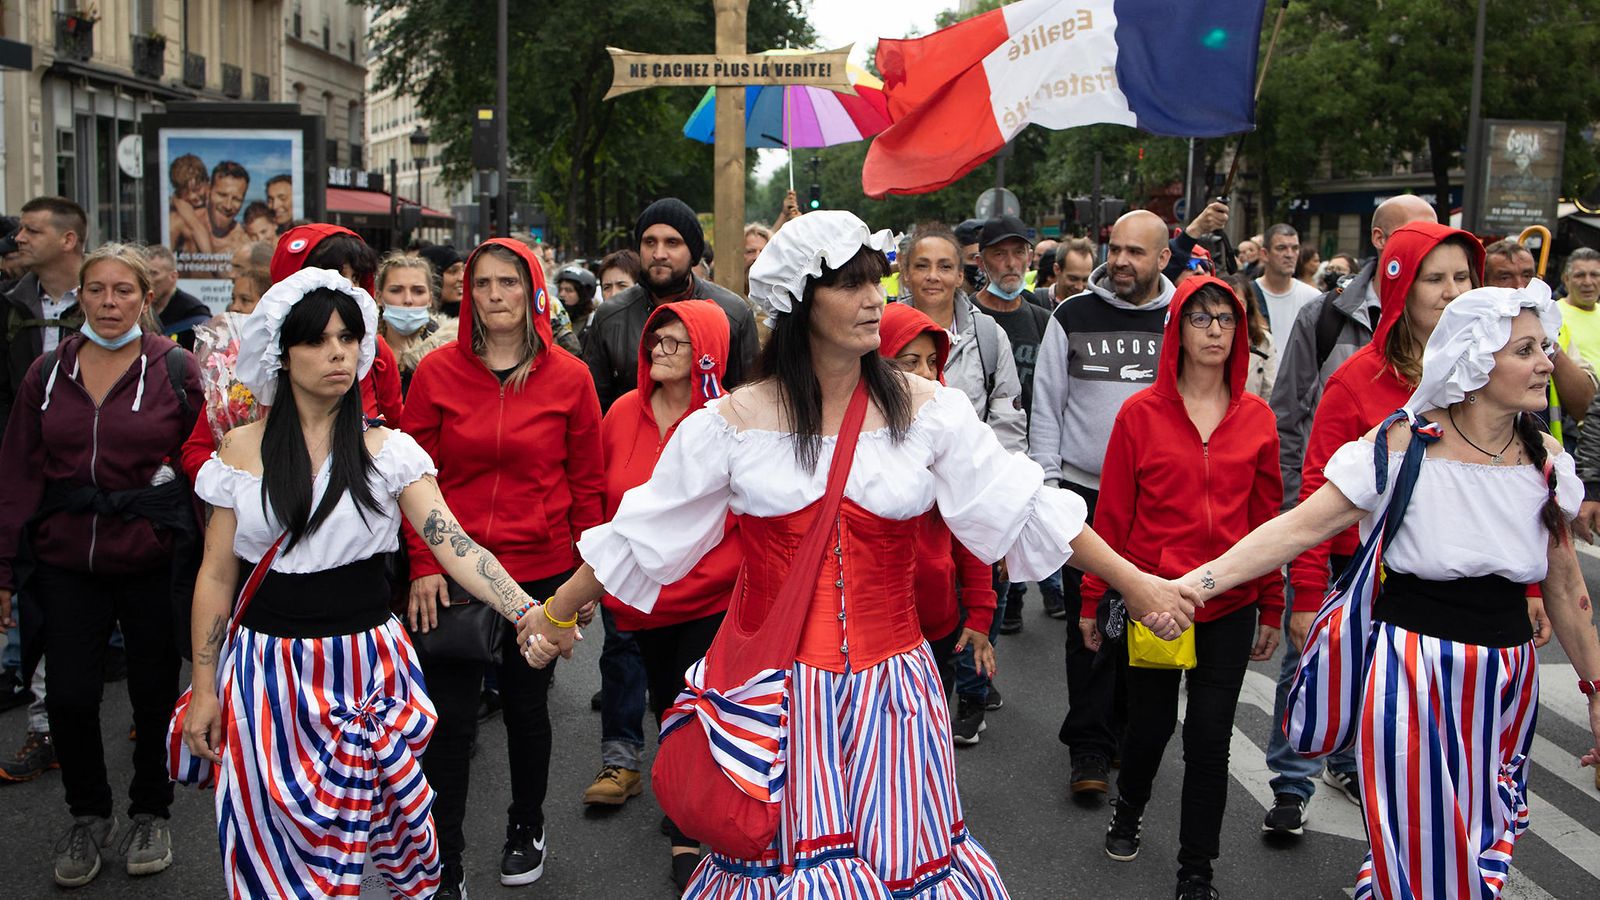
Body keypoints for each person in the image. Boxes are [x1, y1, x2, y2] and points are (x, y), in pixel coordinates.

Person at [519, 210, 1196, 898]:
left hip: (896, 696)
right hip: (779, 699)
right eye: (850, 284)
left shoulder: (928, 410)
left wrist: (1138, 586)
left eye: (877, 280)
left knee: (903, 869)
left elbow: (1020, 505)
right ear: (799, 302)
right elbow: (642, 536)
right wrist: (557, 613)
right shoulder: (732, 424)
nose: (875, 298)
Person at [1184, 283, 1600, 900]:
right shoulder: (1402, 445)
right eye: (1525, 350)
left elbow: (1568, 591)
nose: (1547, 362)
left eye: (1544, 347)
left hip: (1507, 681)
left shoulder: (1543, 456)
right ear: (1476, 360)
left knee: (1479, 840)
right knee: (1423, 850)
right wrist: (1190, 587)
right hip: (1415, 673)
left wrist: (1595, 692)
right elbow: (1297, 527)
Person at [181, 267, 547, 898]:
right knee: (271, 838)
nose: (338, 354)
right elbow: (216, 574)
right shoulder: (240, 451)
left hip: (365, 669)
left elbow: (455, 546)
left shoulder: (388, 451)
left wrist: (527, 610)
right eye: (318, 341)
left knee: (379, 833)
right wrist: (205, 689)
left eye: (349, 339)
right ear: (282, 354)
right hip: (267, 673)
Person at [401, 238, 604, 895]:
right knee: (450, 723)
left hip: (541, 575)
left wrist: (585, 581)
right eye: (482, 284)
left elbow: (588, 487)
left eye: (508, 283)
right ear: (469, 295)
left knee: (525, 709)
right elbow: (409, 479)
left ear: (533, 291)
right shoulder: (435, 373)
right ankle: (445, 858)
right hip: (453, 577)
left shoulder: (571, 379)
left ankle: (526, 827)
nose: (494, 296)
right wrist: (420, 565)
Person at [1271, 222, 1487, 835]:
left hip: (1442, 587)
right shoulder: (1355, 379)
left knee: (1403, 728)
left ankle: (1396, 828)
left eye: (1462, 278)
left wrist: (1528, 591)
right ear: (1400, 288)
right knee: (1312, 675)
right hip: (1353, 573)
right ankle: (1292, 783)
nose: (1450, 291)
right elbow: (1317, 488)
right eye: (1434, 278)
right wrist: (1307, 593)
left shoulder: (1485, 374)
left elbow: (1514, 482)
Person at [0, 244, 201, 887]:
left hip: (149, 555)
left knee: (150, 691)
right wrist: (4, 569)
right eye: (96, 291)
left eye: (122, 292)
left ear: (147, 300)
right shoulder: (47, 372)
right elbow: (19, 471)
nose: (108, 303)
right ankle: (88, 813)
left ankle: (150, 810)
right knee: (70, 693)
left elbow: (208, 458)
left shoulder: (178, 369)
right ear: (79, 297)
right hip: (66, 556)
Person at [1084, 276, 1283, 900]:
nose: (1216, 330)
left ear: (1242, 330)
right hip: (1153, 599)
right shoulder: (1138, 414)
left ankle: (1196, 869)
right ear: (1177, 330)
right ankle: (1130, 808)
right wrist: (1095, 598)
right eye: (1201, 319)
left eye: (1226, 319)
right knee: (1149, 728)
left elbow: (1268, 521)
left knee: (1209, 738)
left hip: (1229, 604)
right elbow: (1111, 518)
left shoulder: (1258, 419)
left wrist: (1274, 603)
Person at [591, 301, 742, 889]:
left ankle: (690, 836)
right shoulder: (623, 411)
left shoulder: (729, 417)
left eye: (678, 343)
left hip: (714, 595)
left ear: (707, 350)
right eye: (656, 340)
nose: (660, 350)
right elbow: (604, 502)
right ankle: (687, 805)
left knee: (702, 714)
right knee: (666, 709)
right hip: (640, 599)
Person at [1031, 209, 1177, 801]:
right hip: (1082, 492)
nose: (1120, 261)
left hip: (1157, 498)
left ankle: (1123, 731)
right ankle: (1088, 745)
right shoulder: (1071, 314)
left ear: (1163, 258)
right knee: (1088, 624)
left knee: (1146, 615)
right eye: (1115, 248)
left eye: (1136, 252)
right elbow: (1046, 403)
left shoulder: (1182, 317)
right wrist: (1047, 488)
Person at [877, 302, 999, 693]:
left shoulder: (950, 431)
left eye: (933, 361)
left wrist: (980, 611)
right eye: (909, 362)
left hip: (936, 623)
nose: (926, 374)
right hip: (869, 630)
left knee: (929, 739)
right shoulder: (849, 437)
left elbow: (973, 529)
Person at [584, 198, 759, 410]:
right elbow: (594, 408)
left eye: (672, 243)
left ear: (693, 253)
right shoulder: (610, 316)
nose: (659, 254)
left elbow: (747, 403)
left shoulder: (733, 314)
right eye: (649, 242)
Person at [897, 222, 1026, 458]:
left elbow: (1008, 428)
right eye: (922, 266)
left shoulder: (990, 336)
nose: (933, 276)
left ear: (959, 276)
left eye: (944, 267)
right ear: (906, 273)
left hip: (971, 486)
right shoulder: (880, 334)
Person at [2, 196, 88, 426]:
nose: (19, 238)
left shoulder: (114, 301)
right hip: (21, 449)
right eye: (20, 230)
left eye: (32, 231)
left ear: (68, 240)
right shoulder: (6, 302)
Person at [375, 252, 451, 397]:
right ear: (379, 297)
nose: (408, 299)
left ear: (429, 298)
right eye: (396, 290)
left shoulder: (450, 352)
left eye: (418, 291)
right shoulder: (363, 350)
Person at [1255, 224, 1321, 349]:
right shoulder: (1248, 295)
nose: (1289, 254)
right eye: (1281, 248)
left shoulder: (1314, 298)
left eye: (1295, 248)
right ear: (1264, 254)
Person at [142, 245, 211, 351]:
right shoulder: (139, 309)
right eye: (144, 274)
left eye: (153, 273)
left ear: (173, 276)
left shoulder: (194, 316)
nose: (147, 280)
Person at [1559, 248, 1600, 370]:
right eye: (1580, 275)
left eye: (1595, 275)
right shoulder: (1553, 315)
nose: (1587, 282)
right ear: (1566, 279)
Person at [554, 264, 600, 347]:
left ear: (583, 295)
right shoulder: (555, 319)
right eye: (560, 289)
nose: (562, 294)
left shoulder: (593, 323)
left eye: (569, 290)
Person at [418, 244, 466, 318]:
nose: (462, 278)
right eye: (453, 271)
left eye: (463, 270)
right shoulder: (414, 319)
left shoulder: (472, 320)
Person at [1054, 236, 1095, 304]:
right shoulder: (1037, 301)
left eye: (1085, 280)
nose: (1079, 287)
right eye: (1073, 279)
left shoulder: (1093, 308)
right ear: (1057, 269)